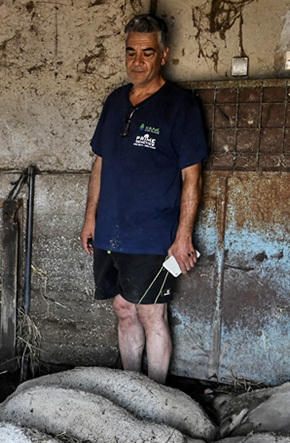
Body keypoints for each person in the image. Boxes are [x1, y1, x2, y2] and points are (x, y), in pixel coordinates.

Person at [80, 14, 207, 384]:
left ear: (163, 54)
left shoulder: (180, 107)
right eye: (131, 52)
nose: (137, 61)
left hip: (152, 233)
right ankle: (131, 387)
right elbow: (100, 165)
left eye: (147, 53)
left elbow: (192, 178)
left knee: (152, 314)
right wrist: (91, 219)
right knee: (122, 309)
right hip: (110, 230)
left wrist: (182, 236)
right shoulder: (115, 101)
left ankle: (157, 394)